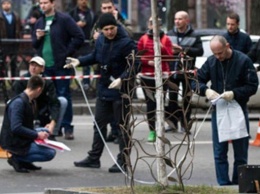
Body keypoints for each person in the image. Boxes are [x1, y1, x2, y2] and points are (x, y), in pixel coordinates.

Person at [64, 13, 138, 173]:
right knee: (99, 125)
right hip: (104, 88)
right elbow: (95, 56)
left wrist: (123, 79)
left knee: (122, 128)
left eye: (112, 28)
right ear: (101, 30)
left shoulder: (126, 43)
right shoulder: (101, 40)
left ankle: (123, 161)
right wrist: (79, 61)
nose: (110, 32)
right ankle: (94, 158)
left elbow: (135, 65)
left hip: (121, 90)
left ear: (117, 27)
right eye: (106, 29)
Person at [192, 35, 258, 185]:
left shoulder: (243, 60)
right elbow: (196, 81)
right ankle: (223, 183)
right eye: (214, 53)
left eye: (220, 53)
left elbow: (252, 85)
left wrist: (235, 93)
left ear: (227, 46)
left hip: (239, 108)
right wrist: (205, 90)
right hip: (219, 109)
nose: (218, 56)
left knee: (241, 152)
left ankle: (239, 182)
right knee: (220, 151)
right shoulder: (212, 61)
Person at [32, 0, 85, 140]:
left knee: (63, 95)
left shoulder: (64, 19)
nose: (42, 6)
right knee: (48, 97)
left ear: (52, 3)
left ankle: (67, 127)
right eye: (40, 3)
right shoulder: (39, 22)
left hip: (60, 66)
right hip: (45, 66)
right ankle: (53, 127)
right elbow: (34, 43)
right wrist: (37, 38)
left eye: (45, 2)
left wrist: (66, 53)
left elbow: (79, 37)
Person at [0, 75, 56, 173]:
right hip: (14, 142)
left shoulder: (26, 100)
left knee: (45, 131)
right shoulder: (19, 103)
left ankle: (25, 159)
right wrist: (36, 135)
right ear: (39, 89)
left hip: (18, 137)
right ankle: (17, 158)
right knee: (50, 153)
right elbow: (16, 128)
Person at [12, 56, 67, 140]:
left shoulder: (48, 82)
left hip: (44, 114)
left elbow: (54, 103)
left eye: (37, 65)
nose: (33, 68)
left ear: (42, 69)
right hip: (26, 114)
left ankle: (52, 133)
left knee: (62, 101)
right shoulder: (20, 82)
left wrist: (52, 122)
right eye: (32, 65)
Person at [166, 11, 203, 133]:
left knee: (187, 99)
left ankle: (185, 124)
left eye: (180, 19)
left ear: (187, 20)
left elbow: (200, 51)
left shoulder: (194, 35)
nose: (177, 21)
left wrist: (183, 50)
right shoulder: (169, 34)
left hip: (187, 72)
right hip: (173, 71)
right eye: (175, 19)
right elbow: (164, 49)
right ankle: (172, 123)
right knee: (172, 99)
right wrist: (171, 50)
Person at [137, 17, 172, 142]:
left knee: (161, 104)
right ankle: (152, 130)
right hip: (147, 77)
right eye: (151, 23)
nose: (153, 25)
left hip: (162, 76)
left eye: (156, 23)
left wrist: (162, 48)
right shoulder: (143, 39)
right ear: (148, 24)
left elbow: (170, 57)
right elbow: (138, 56)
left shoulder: (166, 39)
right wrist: (148, 61)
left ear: (160, 25)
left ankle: (161, 128)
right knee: (151, 104)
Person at [69, 0, 94, 90]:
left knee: (86, 64)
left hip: (87, 42)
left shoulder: (91, 13)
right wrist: (76, 25)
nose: (84, 1)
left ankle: (86, 84)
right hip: (75, 43)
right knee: (71, 63)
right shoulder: (72, 12)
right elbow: (67, 26)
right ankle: (70, 83)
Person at [0, 0, 22, 78]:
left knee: (15, 67)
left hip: (14, 45)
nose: (6, 5)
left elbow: (20, 30)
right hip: (3, 45)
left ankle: (15, 85)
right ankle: (3, 87)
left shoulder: (16, 16)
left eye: (8, 3)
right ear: (2, 5)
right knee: (2, 67)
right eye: (4, 3)